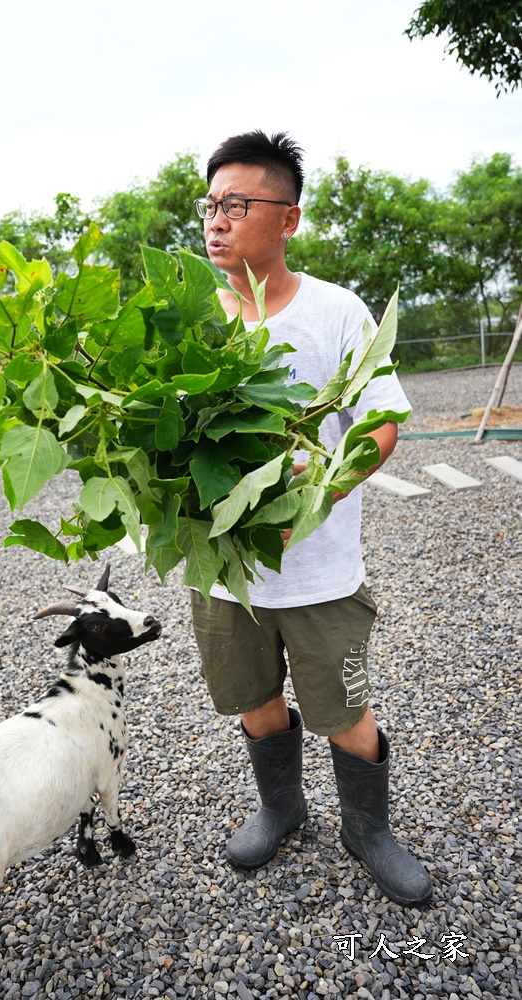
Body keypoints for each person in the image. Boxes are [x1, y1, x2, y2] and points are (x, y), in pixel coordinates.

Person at [190, 130, 432, 908]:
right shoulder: (187, 318)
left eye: (237, 204)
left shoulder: (334, 312)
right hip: (224, 577)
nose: (216, 220)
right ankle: (281, 809)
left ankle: (368, 830)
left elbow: (383, 421)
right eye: (210, 204)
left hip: (322, 571)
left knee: (344, 711)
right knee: (255, 703)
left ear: (287, 219)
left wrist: (322, 490)